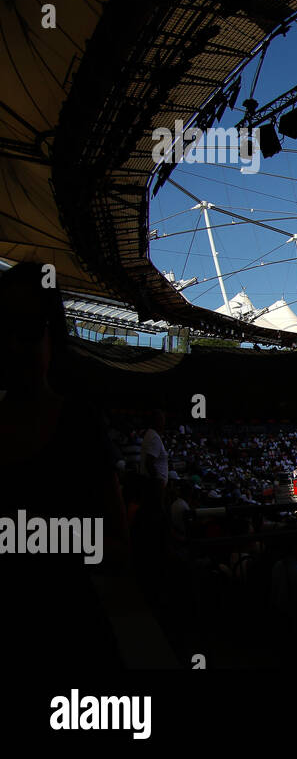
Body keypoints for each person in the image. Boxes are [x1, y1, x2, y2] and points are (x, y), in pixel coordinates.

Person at [0, 262, 128, 669]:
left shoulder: (81, 425)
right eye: (4, 327)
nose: (14, 345)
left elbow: (115, 544)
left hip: (70, 637)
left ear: (51, 335)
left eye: (28, 328)